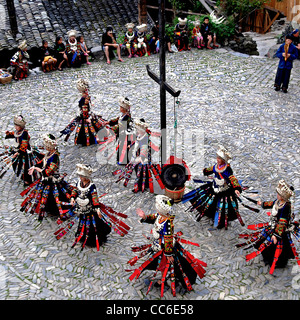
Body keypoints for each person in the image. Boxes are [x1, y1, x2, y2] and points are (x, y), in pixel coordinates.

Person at [127, 195, 207, 297]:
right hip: (158, 245)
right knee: (159, 263)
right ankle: (164, 277)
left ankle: (166, 278)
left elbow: (168, 237)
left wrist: (168, 253)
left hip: (165, 249)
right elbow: (153, 218)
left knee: (167, 264)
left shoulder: (168, 222)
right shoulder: (160, 215)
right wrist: (145, 217)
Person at [54, 164, 130, 251]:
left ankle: (93, 239)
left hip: (90, 209)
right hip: (81, 208)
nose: (80, 177)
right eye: (79, 176)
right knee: (82, 223)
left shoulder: (91, 186)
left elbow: (94, 197)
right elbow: (75, 190)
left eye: (81, 176)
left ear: (85, 177)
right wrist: (72, 197)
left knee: (92, 225)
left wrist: (97, 209)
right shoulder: (79, 183)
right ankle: (82, 236)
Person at [236, 180, 300, 275]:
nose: (277, 195)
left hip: (280, 231)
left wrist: (276, 235)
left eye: (278, 193)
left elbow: (283, 222)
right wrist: (261, 204)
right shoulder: (278, 202)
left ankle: (278, 262)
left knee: (277, 246)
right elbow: (271, 204)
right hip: (273, 226)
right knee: (266, 243)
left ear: (283, 196)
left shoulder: (286, 206)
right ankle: (268, 258)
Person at [181, 145, 248, 230]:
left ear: (223, 160)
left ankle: (221, 221)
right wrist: (205, 171)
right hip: (214, 187)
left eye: (219, 158)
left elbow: (232, 178)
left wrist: (237, 189)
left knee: (222, 207)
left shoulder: (227, 169)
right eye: (217, 158)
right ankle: (210, 214)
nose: (217, 160)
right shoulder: (216, 166)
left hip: (224, 190)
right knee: (209, 202)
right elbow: (210, 169)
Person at [20, 134, 73, 221]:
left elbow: (49, 171)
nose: (44, 147)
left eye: (46, 145)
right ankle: (49, 210)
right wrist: (35, 166)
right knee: (47, 196)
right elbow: (42, 162)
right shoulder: (48, 154)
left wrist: (38, 169)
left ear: (50, 147)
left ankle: (56, 211)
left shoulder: (55, 157)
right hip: (46, 180)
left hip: (53, 180)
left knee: (55, 196)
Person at [112, 118, 164, 193]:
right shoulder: (140, 136)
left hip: (142, 159)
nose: (136, 131)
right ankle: (141, 185)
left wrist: (137, 159)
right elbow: (136, 142)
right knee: (138, 173)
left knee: (142, 173)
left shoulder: (144, 138)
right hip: (137, 156)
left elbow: (144, 151)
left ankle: (142, 186)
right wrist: (131, 146)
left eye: (137, 129)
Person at [60, 79, 107, 146]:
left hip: (85, 118)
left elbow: (85, 111)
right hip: (87, 116)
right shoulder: (87, 96)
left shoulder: (84, 98)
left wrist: (85, 117)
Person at [1, 115, 43, 185]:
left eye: (17, 126)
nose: (15, 127)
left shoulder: (25, 133)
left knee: (26, 166)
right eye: (15, 125)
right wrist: (8, 134)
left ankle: (27, 179)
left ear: (21, 126)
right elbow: (13, 134)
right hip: (18, 150)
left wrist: (17, 153)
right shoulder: (17, 132)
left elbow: (24, 145)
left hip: (24, 153)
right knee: (15, 164)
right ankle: (22, 177)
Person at [106, 96, 133, 164]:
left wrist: (111, 129)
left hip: (125, 134)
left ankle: (124, 161)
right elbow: (117, 119)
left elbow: (120, 126)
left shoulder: (127, 117)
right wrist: (109, 122)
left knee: (124, 147)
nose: (120, 108)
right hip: (121, 134)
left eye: (121, 107)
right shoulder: (123, 115)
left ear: (124, 109)